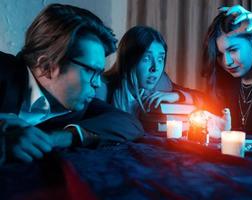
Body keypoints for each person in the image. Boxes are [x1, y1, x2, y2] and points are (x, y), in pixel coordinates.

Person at [0, 4, 144, 165]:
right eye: (90, 71)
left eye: (99, 73)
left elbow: (130, 124)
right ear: (48, 66)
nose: (97, 83)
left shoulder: (76, 104)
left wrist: (60, 137)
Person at [100, 25, 202, 116]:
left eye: (160, 59)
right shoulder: (102, 88)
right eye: (146, 58)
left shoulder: (162, 83)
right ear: (129, 60)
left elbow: (203, 98)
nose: (155, 68)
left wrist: (177, 96)